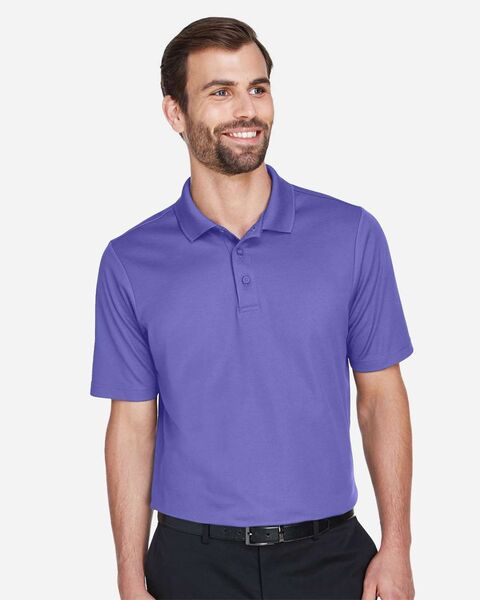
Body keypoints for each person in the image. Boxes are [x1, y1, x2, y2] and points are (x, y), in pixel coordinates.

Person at [90, 16, 415, 600]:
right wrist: (130, 578)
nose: (247, 110)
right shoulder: (131, 261)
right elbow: (133, 427)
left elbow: (381, 397)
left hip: (332, 558)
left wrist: (397, 546)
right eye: (221, 92)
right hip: (190, 563)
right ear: (175, 113)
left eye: (257, 88)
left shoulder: (351, 234)